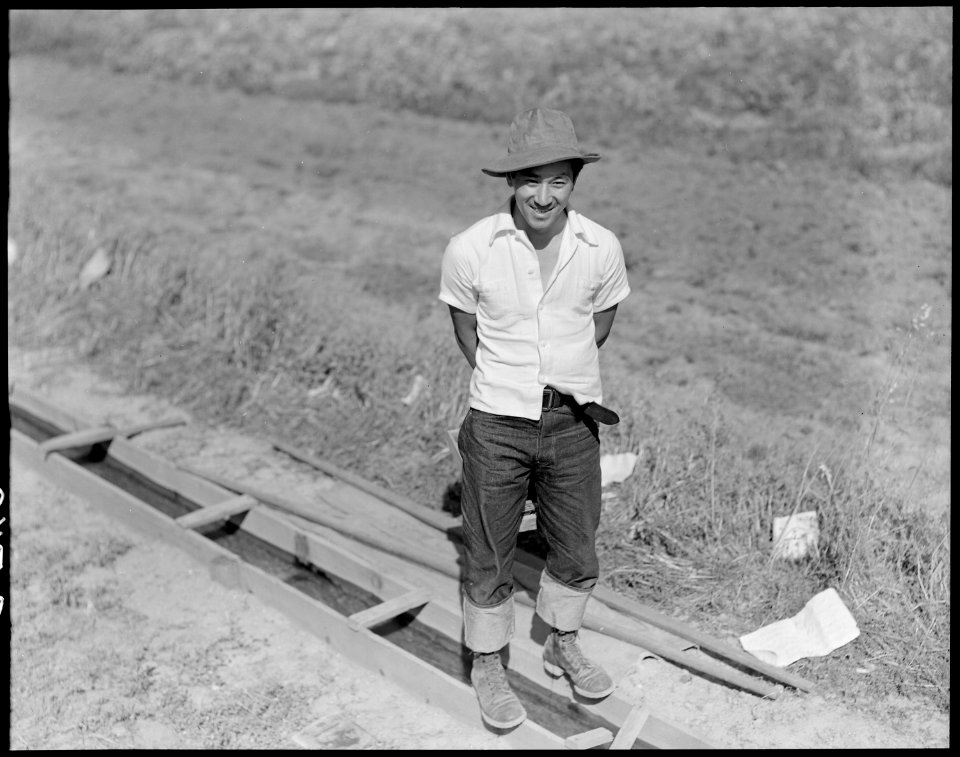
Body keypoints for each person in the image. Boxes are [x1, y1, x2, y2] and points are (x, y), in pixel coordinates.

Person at [438, 107, 631, 729]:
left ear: (575, 180)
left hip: (574, 422)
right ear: (510, 182)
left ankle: (561, 641)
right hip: (497, 422)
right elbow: (465, 328)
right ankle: (489, 661)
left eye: (558, 181)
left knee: (575, 544)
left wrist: (559, 381)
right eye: (530, 180)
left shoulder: (600, 248)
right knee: (490, 549)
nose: (543, 196)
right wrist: (512, 380)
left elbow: (598, 324)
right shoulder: (472, 247)